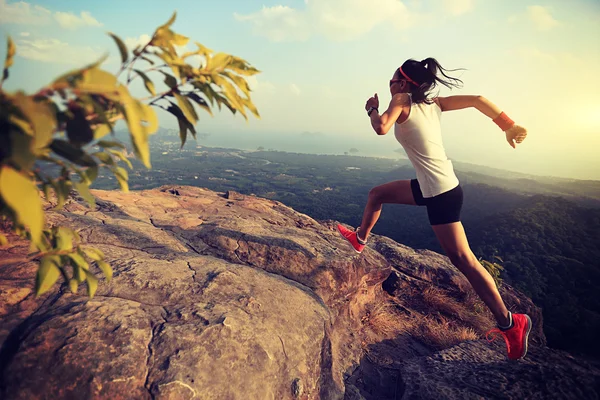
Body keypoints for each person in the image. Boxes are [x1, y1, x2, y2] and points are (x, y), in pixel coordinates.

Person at [336, 57, 531, 361]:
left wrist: (372, 109)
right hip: (434, 186)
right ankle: (359, 239)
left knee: (464, 259)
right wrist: (507, 125)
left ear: (402, 83)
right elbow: (479, 100)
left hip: (440, 193)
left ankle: (510, 323)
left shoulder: (401, 100)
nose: (389, 85)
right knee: (377, 194)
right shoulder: (434, 104)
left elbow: (381, 127)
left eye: (391, 80)